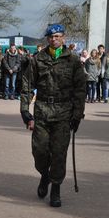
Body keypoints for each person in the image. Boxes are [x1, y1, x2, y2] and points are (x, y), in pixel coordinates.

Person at [20, 24, 86, 208]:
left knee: (58, 152)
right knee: (39, 150)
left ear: (63, 37)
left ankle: (55, 188)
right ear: (47, 39)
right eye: (50, 37)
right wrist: (25, 110)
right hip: (42, 110)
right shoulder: (37, 59)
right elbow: (26, 84)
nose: (54, 39)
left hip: (64, 112)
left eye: (57, 36)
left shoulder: (73, 60)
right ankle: (45, 175)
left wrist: (77, 114)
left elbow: (81, 89)